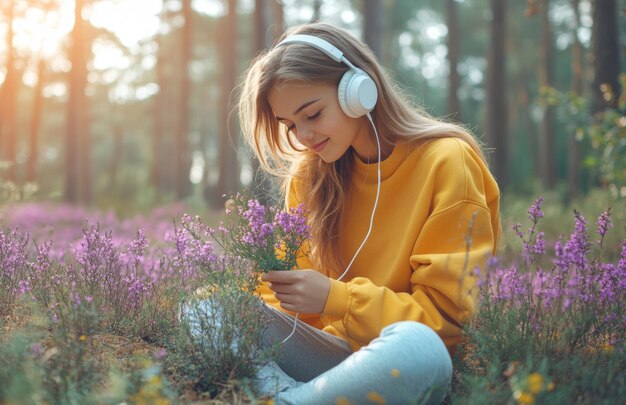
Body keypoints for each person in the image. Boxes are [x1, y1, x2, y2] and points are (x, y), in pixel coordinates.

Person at [235, 22, 500, 404]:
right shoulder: (308, 176)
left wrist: (337, 299)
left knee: (419, 347)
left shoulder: (447, 162)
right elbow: (282, 303)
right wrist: (256, 310)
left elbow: (448, 326)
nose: (303, 136)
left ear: (358, 90)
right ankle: (293, 398)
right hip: (327, 359)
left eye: (312, 114)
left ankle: (283, 397)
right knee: (207, 308)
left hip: (397, 362)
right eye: (290, 125)